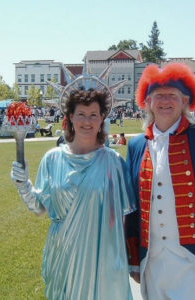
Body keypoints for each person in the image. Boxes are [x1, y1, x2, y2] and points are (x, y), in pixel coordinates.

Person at [11, 78, 135, 300]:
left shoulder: (114, 162)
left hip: (103, 260)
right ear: (70, 118)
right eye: (81, 115)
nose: (87, 121)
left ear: (102, 120)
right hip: (63, 256)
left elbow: (127, 218)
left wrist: (127, 259)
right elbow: (40, 209)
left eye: (93, 115)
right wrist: (24, 187)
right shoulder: (52, 159)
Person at [125, 63, 195, 300]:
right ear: (147, 101)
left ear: (186, 101)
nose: (165, 101)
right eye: (159, 96)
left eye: (172, 96)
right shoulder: (137, 145)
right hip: (153, 263)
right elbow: (132, 208)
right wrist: (134, 257)